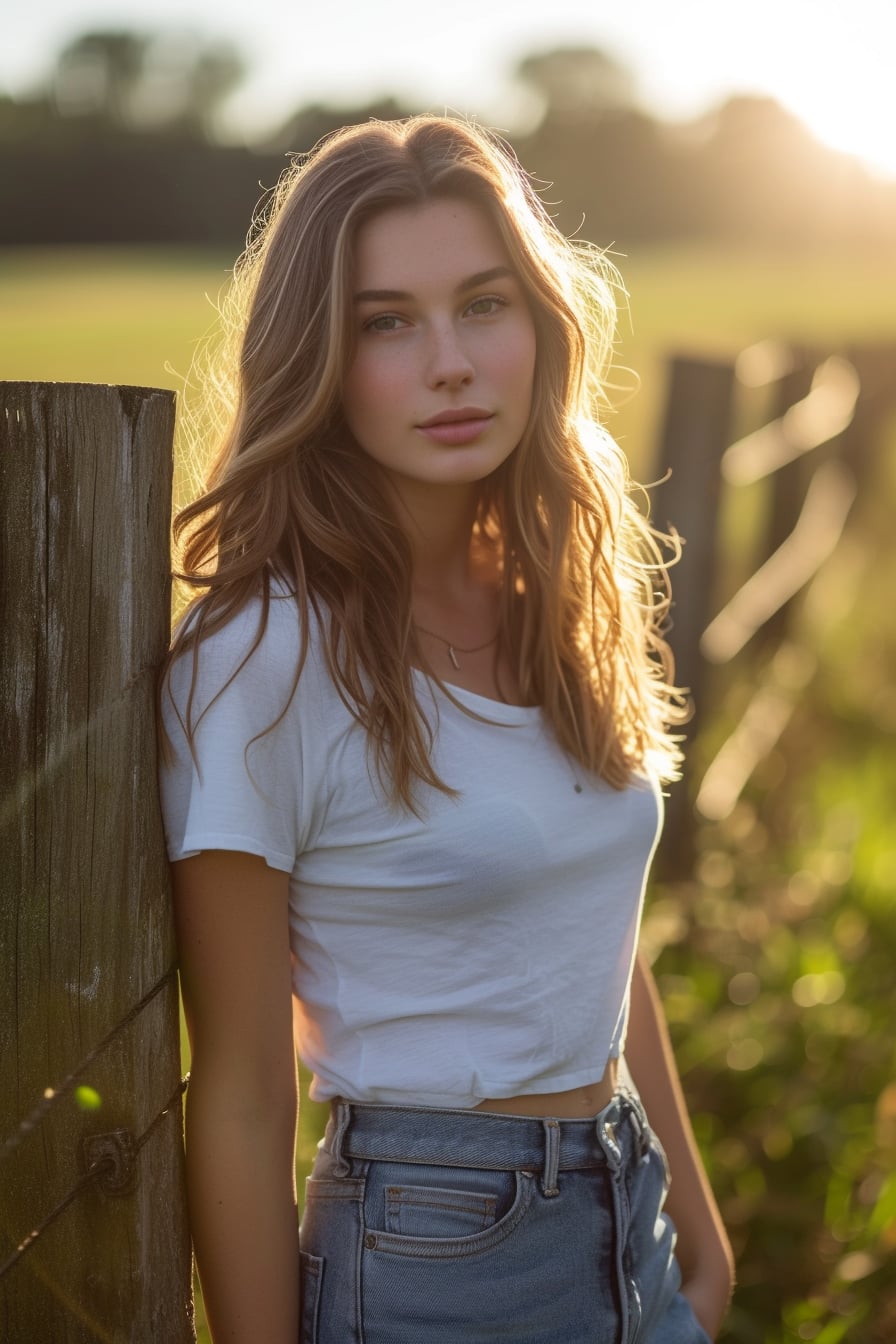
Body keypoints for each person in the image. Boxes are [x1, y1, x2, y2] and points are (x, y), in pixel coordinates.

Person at [158, 114, 734, 1344]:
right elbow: (247, 1096)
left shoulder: (554, 594)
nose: (452, 363)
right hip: (433, 1252)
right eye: (387, 322)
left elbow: (592, 941)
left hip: (627, 1224)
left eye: (483, 304)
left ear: (540, 323)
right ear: (317, 354)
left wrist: (696, 1229)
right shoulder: (265, 661)